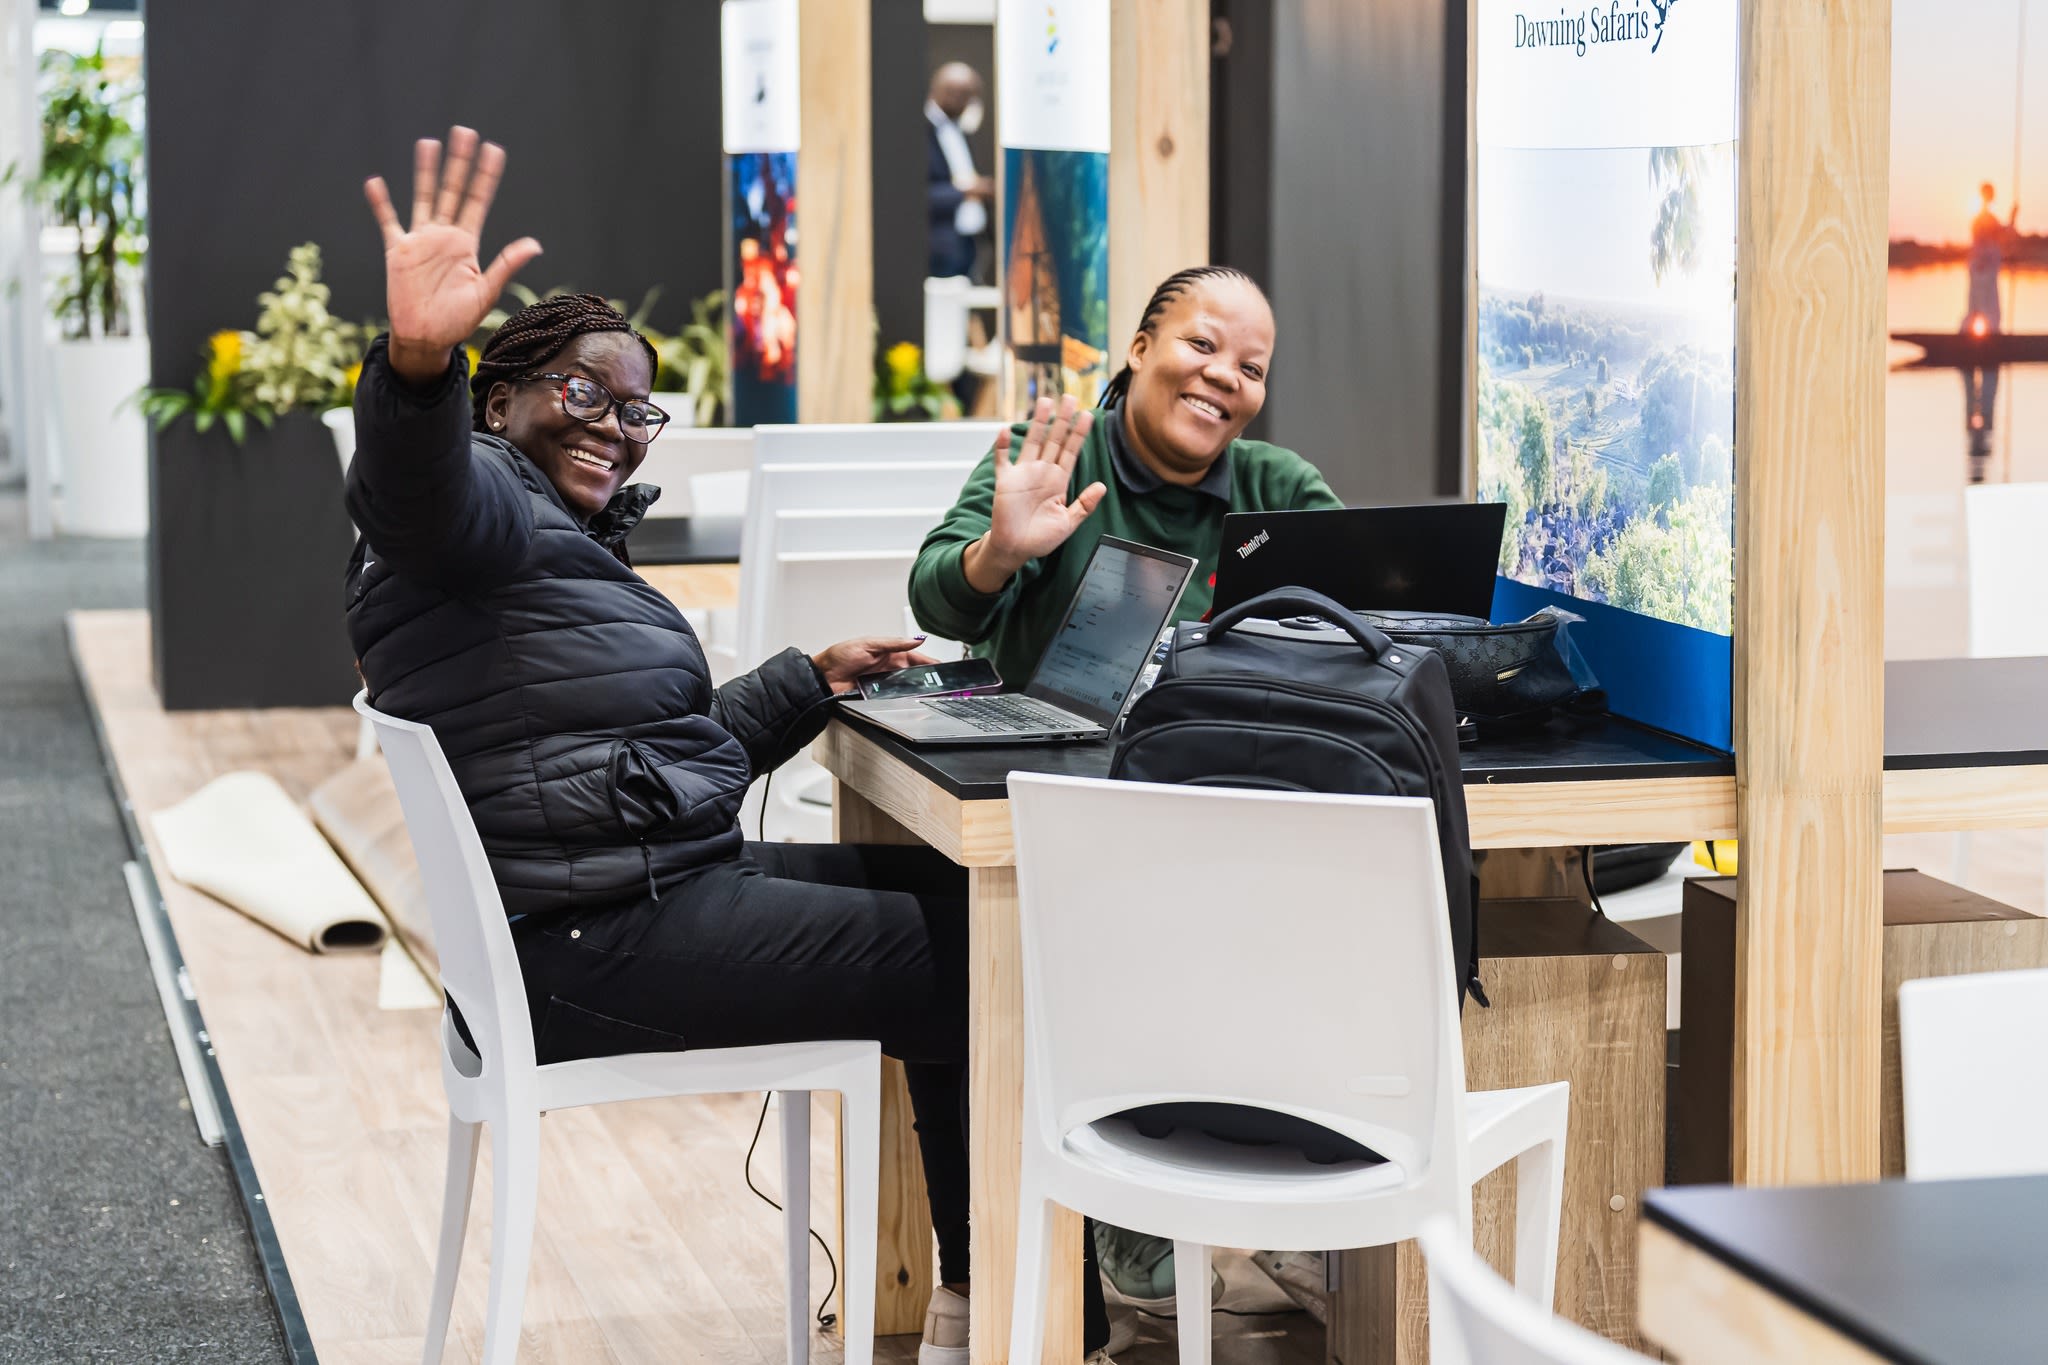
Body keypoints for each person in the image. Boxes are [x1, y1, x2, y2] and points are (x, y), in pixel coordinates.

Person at [345, 128, 1034, 1365]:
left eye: (637, 405)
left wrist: (806, 680)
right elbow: (408, 487)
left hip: (600, 907)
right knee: (998, 955)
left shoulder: (543, 547)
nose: (618, 424)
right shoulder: (478, 514)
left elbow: (643, 762)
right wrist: (413, 362)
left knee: (966, 903)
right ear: (495, 401)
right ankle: (1014, 1310)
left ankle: (971, 1299)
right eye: (583, 393)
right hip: (595, 942)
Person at [908, 263, 1346, 1340]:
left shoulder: (1277, 488)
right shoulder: (1054, 451)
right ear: (1142, 345)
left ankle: (1294, 1191)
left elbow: (1367, 616)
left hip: (1229, 799)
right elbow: (932, 592)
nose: (1222, 380)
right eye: (1202, 346)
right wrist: (1000, 550)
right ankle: (1102, 1238)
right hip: (1058, 809)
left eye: (1250, 368)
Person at [927, 61, 993, 281]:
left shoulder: (961, 131)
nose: (963, 100)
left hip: (969, 241)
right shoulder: (923, 133)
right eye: (956, 92)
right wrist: (967, 191)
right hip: (937, 245)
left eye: (968, 94)